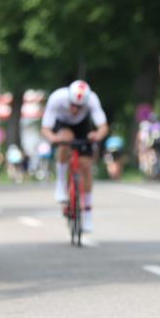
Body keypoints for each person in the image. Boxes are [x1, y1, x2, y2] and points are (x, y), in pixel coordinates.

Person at [41, 80, 108, 232]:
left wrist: (97, 135)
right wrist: (53, 138)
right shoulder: (57, 98)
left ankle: (88, 214)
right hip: (62, 124)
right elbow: (45, 128)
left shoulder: (92, 99)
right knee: (66, 139)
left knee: (86, 166)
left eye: (80, 107)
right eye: (73, 105)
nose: (75, 109)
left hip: (82, 126)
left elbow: (103, 127)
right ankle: (61, 184)